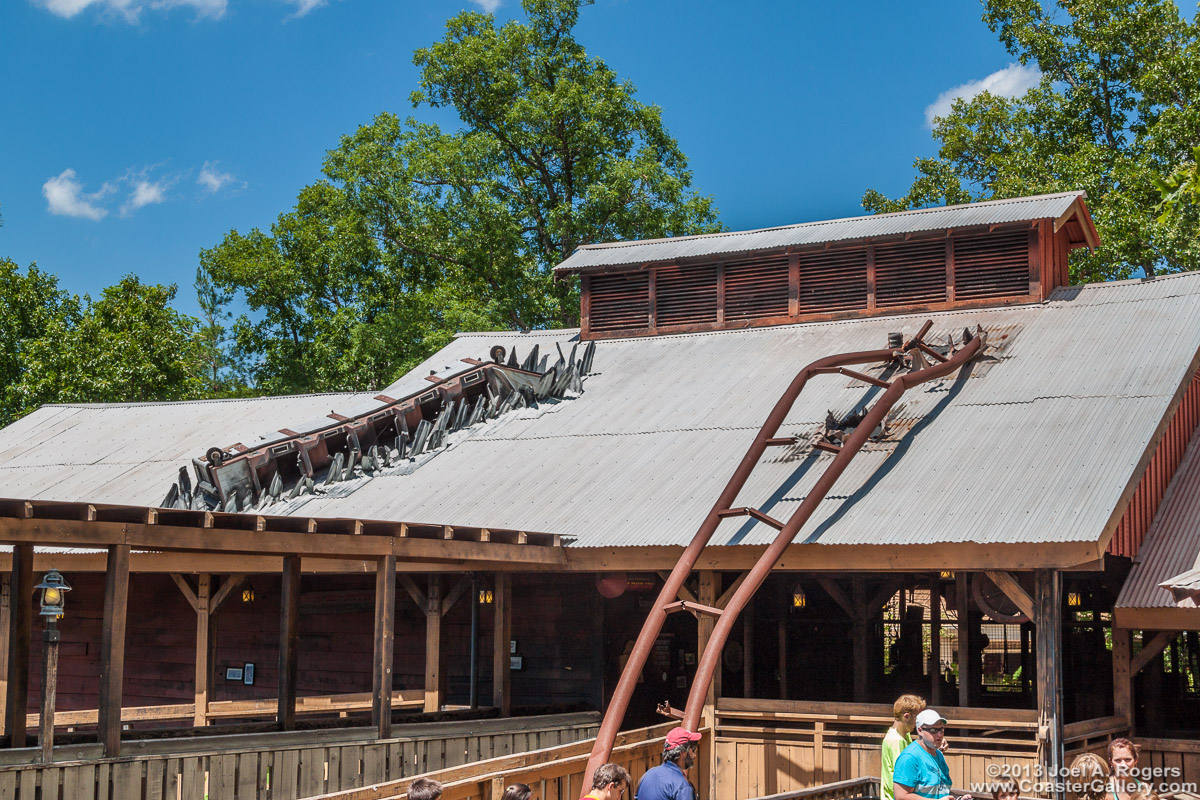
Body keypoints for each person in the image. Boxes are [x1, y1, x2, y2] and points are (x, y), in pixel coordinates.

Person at [892, 709, 971, 800]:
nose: (939, 735)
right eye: (933, 730)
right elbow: (901, 796)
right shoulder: (909, 758)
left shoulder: (939, 755)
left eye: (941, 730)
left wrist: (958, 798)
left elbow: (940, 791)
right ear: (920, 730)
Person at [636, 726, 701, 800]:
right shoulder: (683, 787)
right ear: (682, 752)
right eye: (693, 750)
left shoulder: (647, 776)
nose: (694, 755)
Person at [882, 694, 927, 800]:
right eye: (917, 718)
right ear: (906, 716)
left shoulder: (905, 736)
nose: (918, 723)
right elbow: (903, 775)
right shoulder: (896, 741)